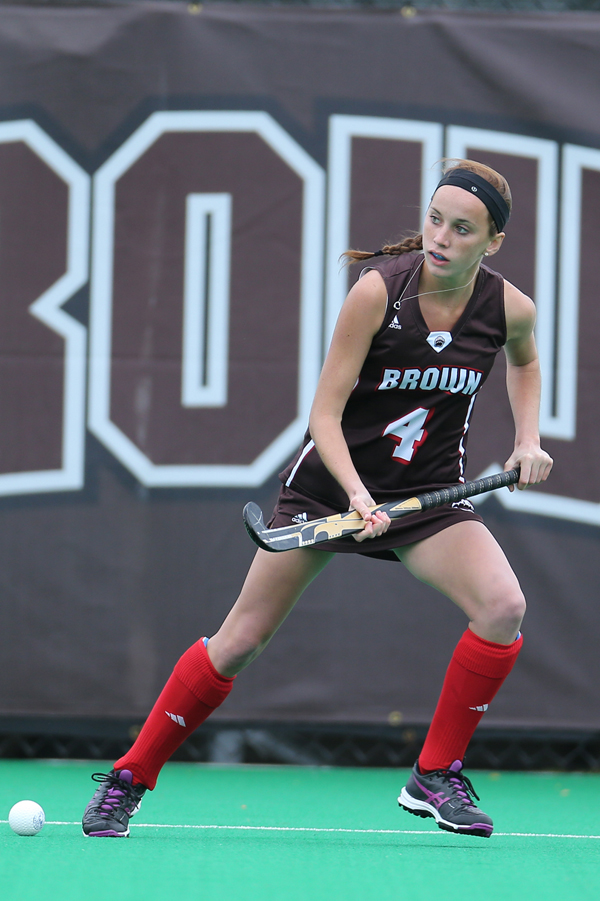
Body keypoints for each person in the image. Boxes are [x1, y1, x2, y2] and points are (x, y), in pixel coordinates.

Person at [82, 158, 553, 839]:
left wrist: (527, 439)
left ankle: (434, 774)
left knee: (504, 605)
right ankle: (129, 777)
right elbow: (324, 416)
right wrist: (359, 495)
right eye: (434, 219)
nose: (440, 237)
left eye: (461, 228)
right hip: (331, 491)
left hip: (427, 498)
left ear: (492, 242)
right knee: (239, 641)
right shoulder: (377, 293)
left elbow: (526, 358)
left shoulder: (508, 306)